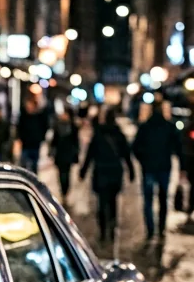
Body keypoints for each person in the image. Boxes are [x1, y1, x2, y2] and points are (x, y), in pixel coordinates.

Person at [79, 106, 135, 242]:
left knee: (102, 202)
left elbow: (90, 154)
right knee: (113, 202)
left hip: (101, 171)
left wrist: (83, 171)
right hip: (115, 171)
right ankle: (112, 227)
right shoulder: (119, 134)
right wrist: (131, 170)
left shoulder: (98, 133)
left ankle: (103, 230)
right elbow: (126, 154)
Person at [132, 98, 180, 241]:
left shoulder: (145, 127)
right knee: (163, 198)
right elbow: (178, 147)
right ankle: (161, 228)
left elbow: (135, 147)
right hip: (164, 167)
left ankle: (151, 230)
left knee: (148, 199)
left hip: (149, 168)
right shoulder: (169, 127)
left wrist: (143, 161)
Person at [49, 107, 80, 201]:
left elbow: (76, 142)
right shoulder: (57, 125)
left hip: (68, 153)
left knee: (66, 174)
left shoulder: (73, 127)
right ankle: (63, 191)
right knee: (60, 174)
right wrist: (51, 151)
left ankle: (65, 191)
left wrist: (76, 153)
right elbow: (54, 140)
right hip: (59, 153)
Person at [15, 96, 49, 174]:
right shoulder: (23, 117)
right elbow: (19, 128)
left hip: (35, 144)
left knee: (34, 165)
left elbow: (44, 127)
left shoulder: (39, 117)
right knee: (23, 165)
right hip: (25, 144)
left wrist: (40, 137)